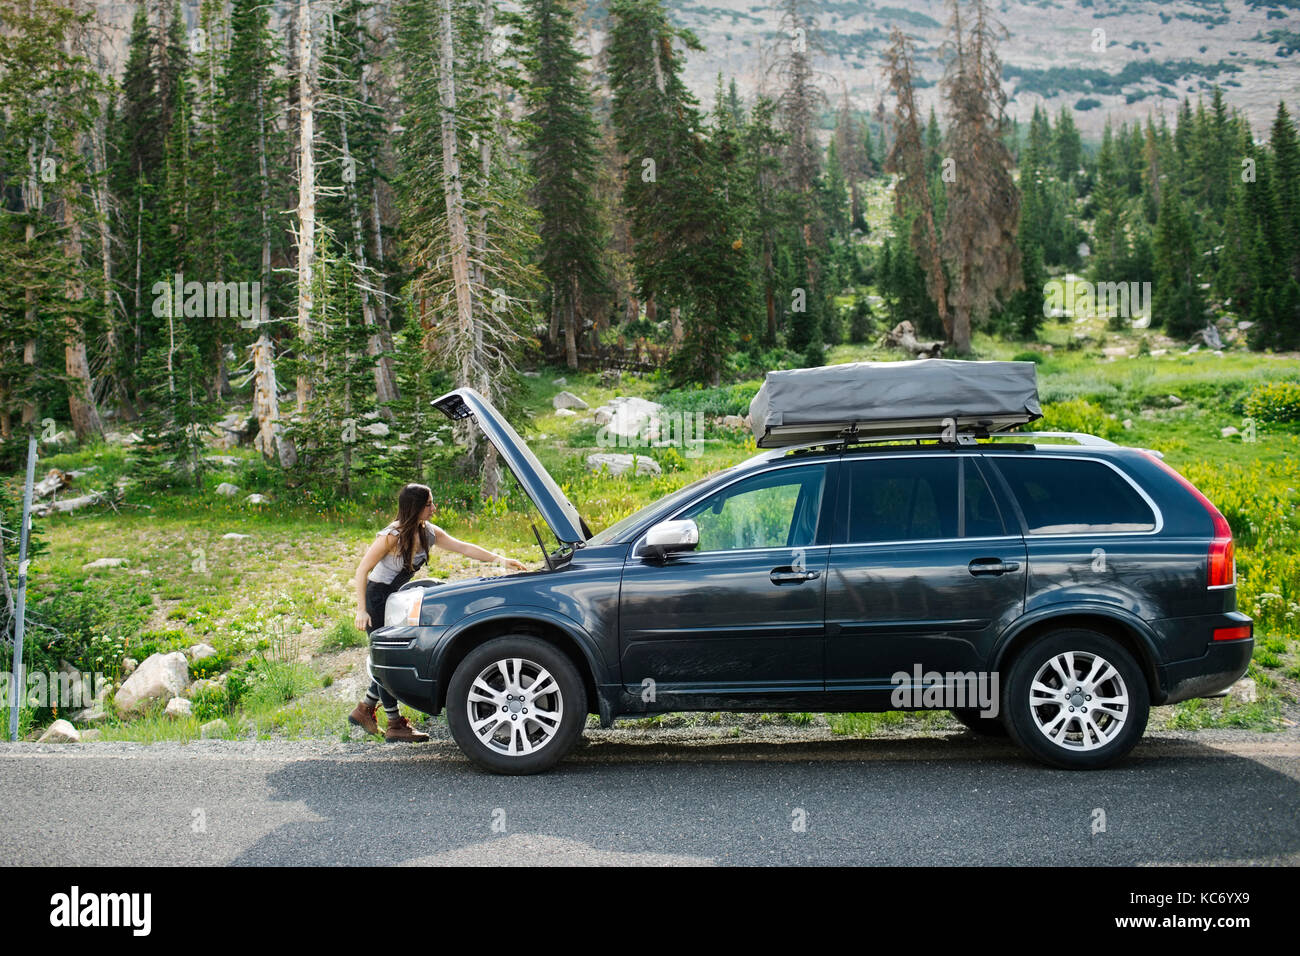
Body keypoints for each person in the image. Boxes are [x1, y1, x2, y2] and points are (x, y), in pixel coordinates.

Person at [349, 483, 527, 741]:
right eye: (429, 504)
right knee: (386, 661)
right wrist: (361, 610)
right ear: (416, 507)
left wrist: (501, 560)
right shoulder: (391, 535)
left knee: (391, 659)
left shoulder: (429, 533)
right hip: (376, 599)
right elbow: (361, 570)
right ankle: (394, 724)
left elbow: (464, 547)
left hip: (396, 600)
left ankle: (365, 709)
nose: (435, 508)